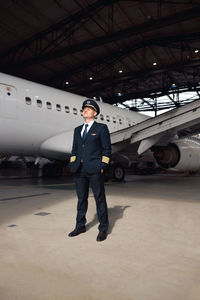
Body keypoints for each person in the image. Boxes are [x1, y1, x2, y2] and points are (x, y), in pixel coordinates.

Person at [68, 99, 111, 242]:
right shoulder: (77, 130)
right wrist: (73, 164)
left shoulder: (101, 128)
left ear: (95, 113)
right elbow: (74, 150)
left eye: (88, 108)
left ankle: (103, 228)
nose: (84, 110)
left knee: (100, 199)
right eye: (84, 108)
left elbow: (107, 150)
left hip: (94, 169)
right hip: (79, 170)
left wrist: (102, 166)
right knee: (81, 200)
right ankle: (80, 226)